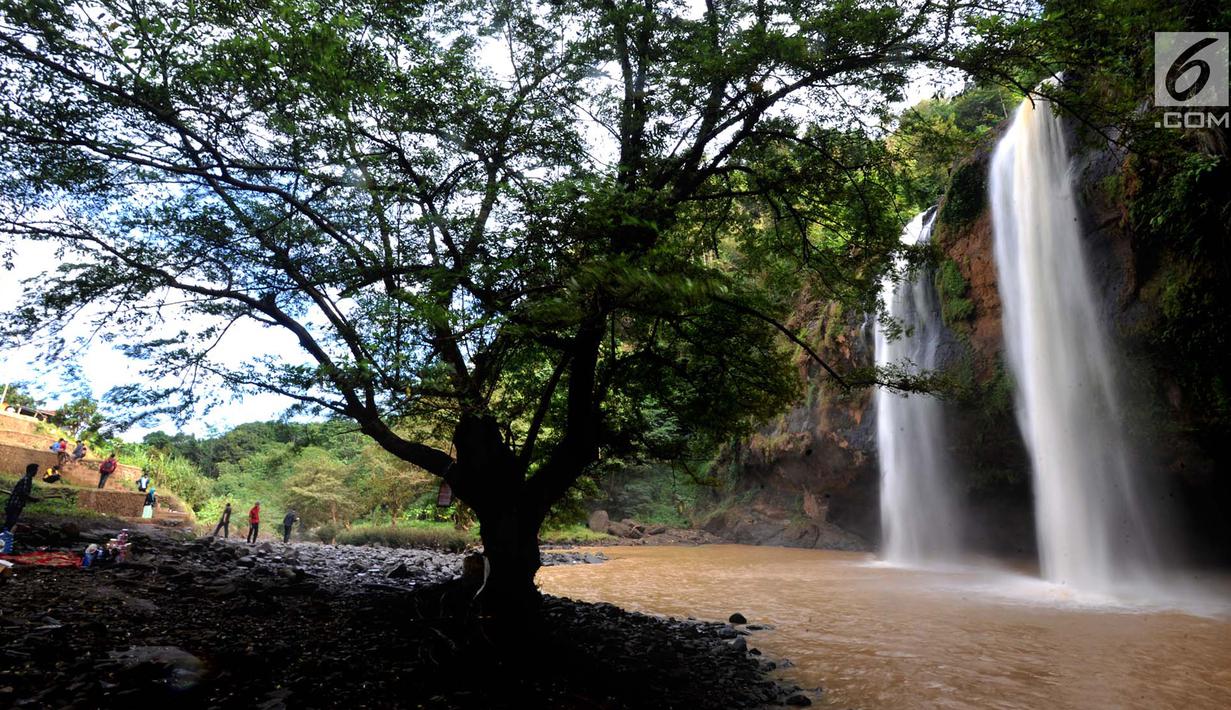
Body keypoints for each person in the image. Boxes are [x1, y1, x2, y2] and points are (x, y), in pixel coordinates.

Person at [4, 464, 39, 534]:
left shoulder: (27, 479)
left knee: (9, 522)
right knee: (11, 522)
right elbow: (22, 493)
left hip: (15, 504)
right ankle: (4, 538)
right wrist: (32, 499)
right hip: (15, 504)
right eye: (36, 470)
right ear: (32, 471)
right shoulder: (26, 479)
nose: (36, 472)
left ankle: (5, 537)